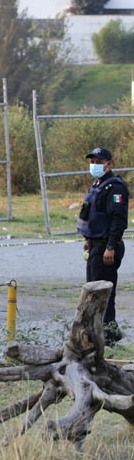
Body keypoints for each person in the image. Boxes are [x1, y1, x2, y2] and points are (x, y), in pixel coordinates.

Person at [77, 147, 128, 345]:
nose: (95, 165)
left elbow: (118, 219)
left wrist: (111, 246)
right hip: (95, 245)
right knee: (92, 292)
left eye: (99, 162)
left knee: (104, 294)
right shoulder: (98, 185)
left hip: (107, 247)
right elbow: (94, 216)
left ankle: (109, 336)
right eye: (93, 161)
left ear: (109, 164)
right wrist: (88, 239)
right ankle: (95, 333)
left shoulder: (114, 188)